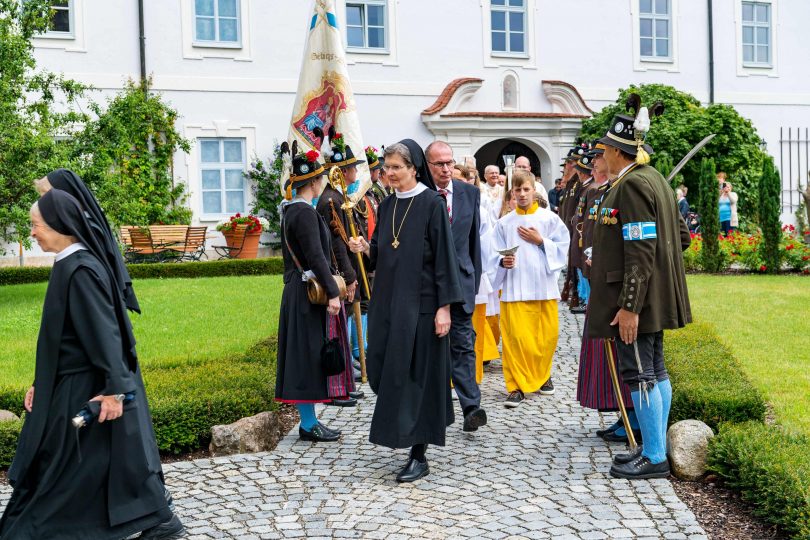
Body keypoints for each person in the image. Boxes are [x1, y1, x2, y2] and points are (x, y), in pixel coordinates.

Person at [1, 189, 182, 539]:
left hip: (82, 387)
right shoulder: (69, 263)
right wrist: (42, 382)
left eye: (36, 225)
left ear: (60, 225)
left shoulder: (81, 269)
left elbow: (105, 334)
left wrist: (115, 390)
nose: (32, 232)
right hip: (67, 383)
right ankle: (154, 519)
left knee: (65, 468)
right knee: (75, 467)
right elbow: (63, 337)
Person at [33, 169, 175, 515]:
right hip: (98, 359)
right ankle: (146, 507)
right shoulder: (75, 252)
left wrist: (115, 383)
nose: (45, 207)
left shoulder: (81, 257)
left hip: (104, 361)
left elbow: (100, 318)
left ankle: (151, 505)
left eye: (48, 198)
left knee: (123, 439)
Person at [348, 140, 463, 482]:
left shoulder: (432, 203)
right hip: (388, 304)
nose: (389, 172)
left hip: (423, 307)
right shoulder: (386, 206)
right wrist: (364, 248)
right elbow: (382, 254)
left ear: (414, 168)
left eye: (396, 167)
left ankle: (418, 453)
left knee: (418, 379)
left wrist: (444, 308)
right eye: (387, 167)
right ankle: (404, 432)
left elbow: (444, 259)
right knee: (385, 369)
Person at [589, 110, 692, 480]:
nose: (602, 152)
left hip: (636, 301)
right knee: (655, 369)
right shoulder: (655, 178)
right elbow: (681, 238)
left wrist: (630, 305)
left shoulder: (631, 185)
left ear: (618, 151)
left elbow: (640, 248)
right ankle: (653, 446)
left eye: (606, 148)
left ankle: (653, 455)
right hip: (653, 295)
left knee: (639, 373)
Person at [276, 145, 349, 444]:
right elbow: (316, 257)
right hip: (307, 292)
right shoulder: (304, 213)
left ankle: (311, 421)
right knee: (306, 357)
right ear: (316, 182)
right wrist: (333, 293)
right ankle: (307, 424)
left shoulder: (291, 210)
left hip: (299, 290)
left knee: (305, 354)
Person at [576, 146, 639, 444]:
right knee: (609, 358)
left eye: (600, 155)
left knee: (631, 361)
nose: (595, 162)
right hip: (603, 283)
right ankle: (624, 415)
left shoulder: (631, 189)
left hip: (622, 288)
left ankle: (635, 420)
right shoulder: (607, 190)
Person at [491, 170, 570, 407]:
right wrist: (502, 262)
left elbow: (563, 247)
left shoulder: (549, 219)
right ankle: (515, 386)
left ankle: (542, 375)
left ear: (534, 190)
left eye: (526, 189)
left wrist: (541, 241)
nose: (523, 194)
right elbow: (493, 253)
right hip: (514, 289)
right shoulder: (504, 223)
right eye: (518, 190)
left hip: (543, 288)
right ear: (512, 193)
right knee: (515, 340)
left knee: (546, 338)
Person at [426, 140, 488, 432]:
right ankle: (432, 406)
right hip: (429, 285)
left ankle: (471, 407)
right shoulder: (422, 195)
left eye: (449, 162)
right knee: (430, 348)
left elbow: (474, 241)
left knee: (463, 345)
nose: (446, 169)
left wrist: (473, 281)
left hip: (462, 282)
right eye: (439, 164)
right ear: (427, 165)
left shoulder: (469, 193)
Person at [318, 130, 366, 400]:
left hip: (346, 272)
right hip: (339, 275)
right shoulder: (331, 200)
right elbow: (337, 244)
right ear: (342, 171)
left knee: (345, 325)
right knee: (339, 330)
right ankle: (339, 382)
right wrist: (348, 277)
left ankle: (346, 379)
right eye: (353, 168)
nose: (356, 173)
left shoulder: (340, 198)